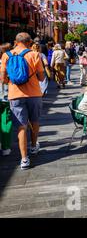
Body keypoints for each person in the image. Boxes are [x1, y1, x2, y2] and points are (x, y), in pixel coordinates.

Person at [0, 32, 45, 170]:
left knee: (21, 126)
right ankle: (33, 146)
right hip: (34, 94)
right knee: (35, 121)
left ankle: (24, 159)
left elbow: (3, 79)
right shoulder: (34, 54)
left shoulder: (6, 55)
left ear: (16, 41)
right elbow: (42, 78)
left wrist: (11, 81)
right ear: (29, 42)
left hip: (15, 95)